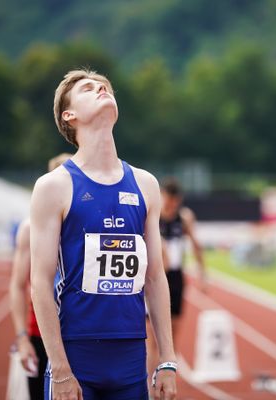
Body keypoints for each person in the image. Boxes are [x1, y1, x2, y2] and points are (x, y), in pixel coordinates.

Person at [30, 69, 177, 400]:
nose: (101, 89)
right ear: (69, 116)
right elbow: (39, 283)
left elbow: (154, 276)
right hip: (76, 354)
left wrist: (167, 359)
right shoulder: (53, 187)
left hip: (130, 355)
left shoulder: (145, 184)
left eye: (105, 87)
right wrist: (61, 369)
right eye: (88, 88)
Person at [9, 153, 71, 400]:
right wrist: (22, 338)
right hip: (40, 332)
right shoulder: (29, 229)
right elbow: (16, 285)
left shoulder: (87, 221)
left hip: (80, 331)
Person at [146, 178, 206, 379]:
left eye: (175, 202)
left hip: (176, 278)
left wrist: (203, 274)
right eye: (168, 200)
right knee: (151, 333)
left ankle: (167, 372)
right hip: (154, 276)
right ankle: (149, 379)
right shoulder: (153, 216)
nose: (171, 205)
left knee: (173, 330)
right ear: (162, 196)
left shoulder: (185, 217)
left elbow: (196, 246)